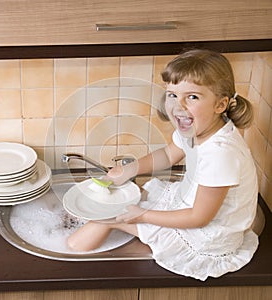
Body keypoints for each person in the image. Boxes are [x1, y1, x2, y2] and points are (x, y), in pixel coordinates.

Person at [67, 49, 259, 281]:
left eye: (193, 97)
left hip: (205, 237)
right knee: (134, 196)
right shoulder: (200, 128)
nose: (179, 106)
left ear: (221, 104)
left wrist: (144, 216)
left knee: (104, 218)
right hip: (192, 209)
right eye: (172, 95)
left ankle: (69, 265)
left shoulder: (220, 154)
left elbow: (199, 218)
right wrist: (129, 170)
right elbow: (169, 155)